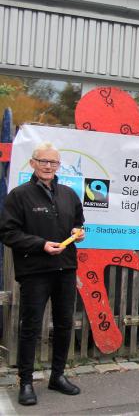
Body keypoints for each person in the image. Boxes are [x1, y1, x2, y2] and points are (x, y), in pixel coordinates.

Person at [0, 142, 85, 406]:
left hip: (66, 269)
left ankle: (57, 376)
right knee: (31, 327)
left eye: (54, 162)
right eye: (43, 161)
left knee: (63, 324)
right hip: (35, 271)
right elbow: (7, 233)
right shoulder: (19, 195)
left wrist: (77, 233)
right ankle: (26, 381)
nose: (48, 166)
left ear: (59, 166)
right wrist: (40, 245)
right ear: (33, 163)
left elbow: (78, 224)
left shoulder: (69, 194)